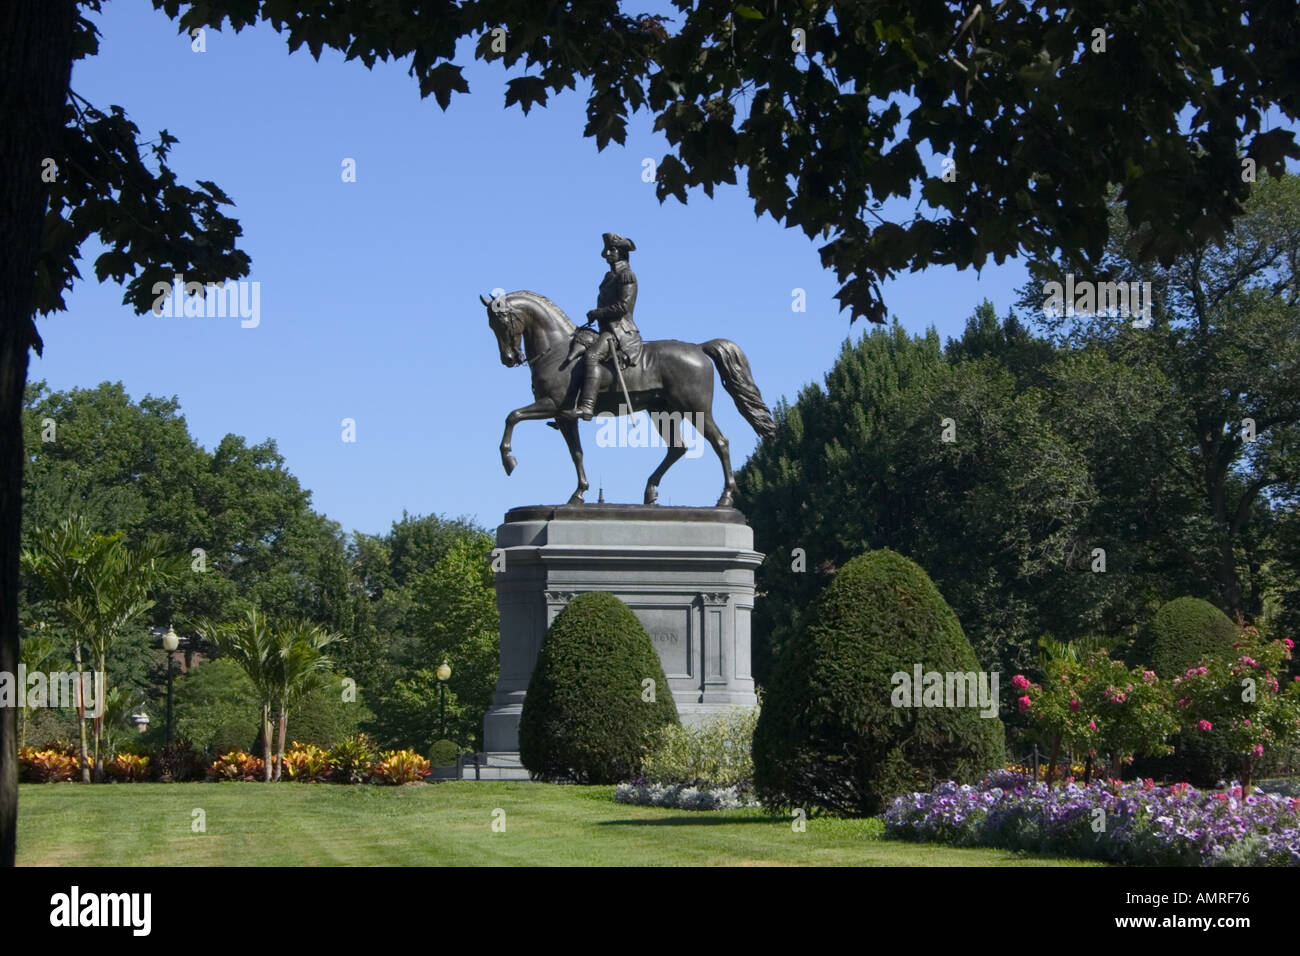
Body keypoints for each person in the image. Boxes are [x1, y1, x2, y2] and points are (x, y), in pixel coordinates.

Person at [560, 233, 643, 421]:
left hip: (620, 331)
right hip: (606, 329)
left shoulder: (626, 275)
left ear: (621, 253)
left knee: (592, 356)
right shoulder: (610, 276)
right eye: (606, 250)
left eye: (611, 250)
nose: (606, 253)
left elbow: (624, 307)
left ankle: (587, 407)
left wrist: (598, 313)